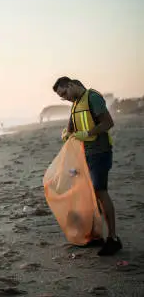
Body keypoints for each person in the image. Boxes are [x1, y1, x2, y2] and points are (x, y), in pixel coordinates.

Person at [53, 77, 122, 256]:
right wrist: (67, 134)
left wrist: (88, 133)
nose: (65, 97)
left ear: (72, 85)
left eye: (64, 93)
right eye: (61, 97)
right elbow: (71, 127)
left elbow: (108, 123)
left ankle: (113, 239)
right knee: (89, 193)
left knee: (100, 191)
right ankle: (96, 235)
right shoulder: (75, 104)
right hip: (84, 155)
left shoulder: (93, 98)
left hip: (100, 152)